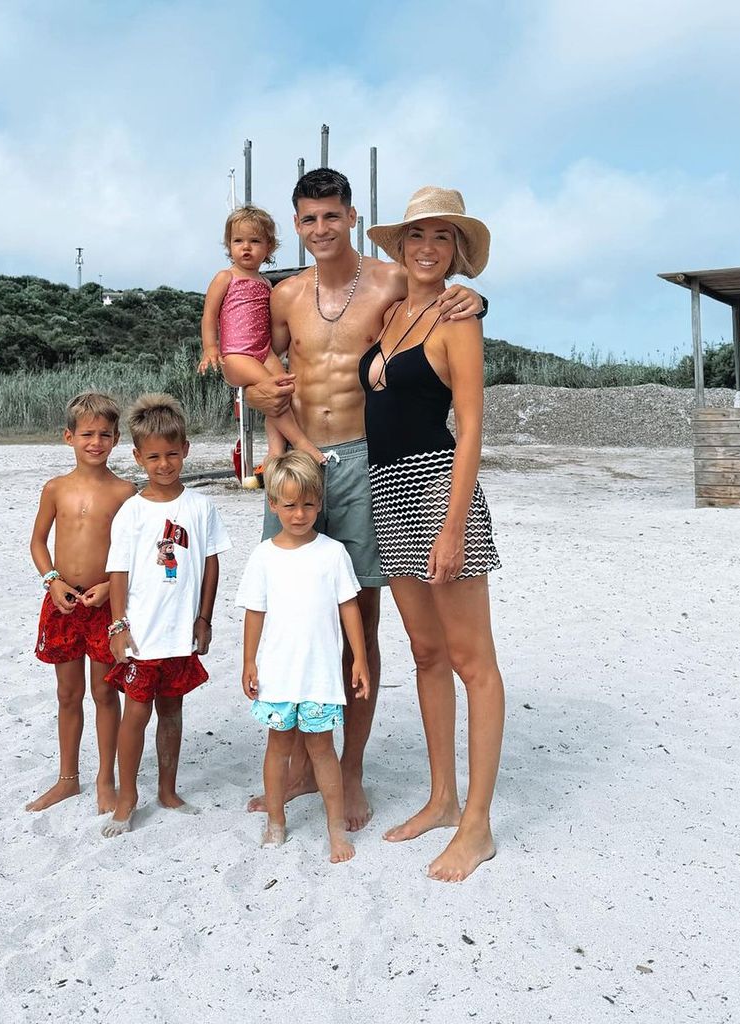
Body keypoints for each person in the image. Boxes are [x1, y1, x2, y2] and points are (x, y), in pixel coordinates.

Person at [243, 167, 485, 832]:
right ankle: (295, 769)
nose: (321, 229)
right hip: (297, 464)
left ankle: (349, 773)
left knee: (358, 621)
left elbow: (442, 296)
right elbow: (265, 371)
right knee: (291, 611)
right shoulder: (283, 293)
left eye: (331, 216)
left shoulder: (390, 278)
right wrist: (269, 425)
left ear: (352, 216)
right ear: (296, 225)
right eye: (308, 219)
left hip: (361, 460)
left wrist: (475, 300)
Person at [360, 186, 504, 882]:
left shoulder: (459, 318)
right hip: (387, 490)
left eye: (441, 238)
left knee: (472, 659)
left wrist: (451, 527)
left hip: (436, 487)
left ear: (456, 251)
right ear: (400, 245)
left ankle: (477, 825)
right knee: (425, 654)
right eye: (416, 236)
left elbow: (472, 425)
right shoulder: (392, 312)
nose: (426, 248)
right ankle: (442, 799)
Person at [101, 394, 231, 837]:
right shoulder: (132, 512)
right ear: (138, 457)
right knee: (135, 714)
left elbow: (212, 563)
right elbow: (117, 572)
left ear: (186, 450)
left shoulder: (200, 507)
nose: (164, 464)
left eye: (172, 454)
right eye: (153, 456)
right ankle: (127, 796)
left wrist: (204, 618)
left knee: (172, 711)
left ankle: (168, 789)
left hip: (181, 632)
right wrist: (119, 626)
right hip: (142, 635)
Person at [237, 451, 370, 863]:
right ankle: (276, 821)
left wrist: (360, 659)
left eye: (309, 504)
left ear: (320, 503)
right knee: (278, 748)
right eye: (289, 505)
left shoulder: (332, 553)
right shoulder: (264, 556)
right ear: (273, 504)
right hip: (278, 675)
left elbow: (350, 608)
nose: (299, 514)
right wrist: (249, 662)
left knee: (322, 750)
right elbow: (254, 612)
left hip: (321, 677)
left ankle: (334, 830)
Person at [27, 392, 137, 814]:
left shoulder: (125, 491)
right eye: (87, 434)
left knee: (106, 693)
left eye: (105, 434)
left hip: (105, 604)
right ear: (68, 437)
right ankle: (67, 778)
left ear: (116, 439)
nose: (96, 442)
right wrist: (52, 580)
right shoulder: (55, 488)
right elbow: (38, 541)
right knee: (67, 694)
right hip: (63, 601)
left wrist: (111, 586)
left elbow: (133, 551)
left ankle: (105, 778)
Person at [198, 204, 324, 465]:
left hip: (262, 351)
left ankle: (275, 450)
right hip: (236, 355)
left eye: (254, 241)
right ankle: (301, 442)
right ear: (229, 245)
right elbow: (209, 315)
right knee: (275, 391)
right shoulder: (225, 278)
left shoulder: (266, 284)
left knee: (285, 390)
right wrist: (211, 348)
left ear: (269, 248)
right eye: (238, 241)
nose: (246, 247)